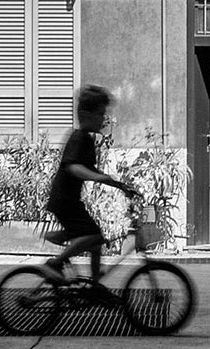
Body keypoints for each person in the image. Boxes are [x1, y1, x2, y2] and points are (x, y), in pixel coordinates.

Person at [45, 84, 139, 289]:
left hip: (70, 200)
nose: (103, 118)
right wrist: (101, 179)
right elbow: (73, 168)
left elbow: (93, 171)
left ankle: (95, 284)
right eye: (100, 114)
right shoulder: (78, 138)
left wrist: (120, 185)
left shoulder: (87, 140)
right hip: (65, 201)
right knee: (94, 237)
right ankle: (55, 264)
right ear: (85, 114)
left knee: (96, 243)